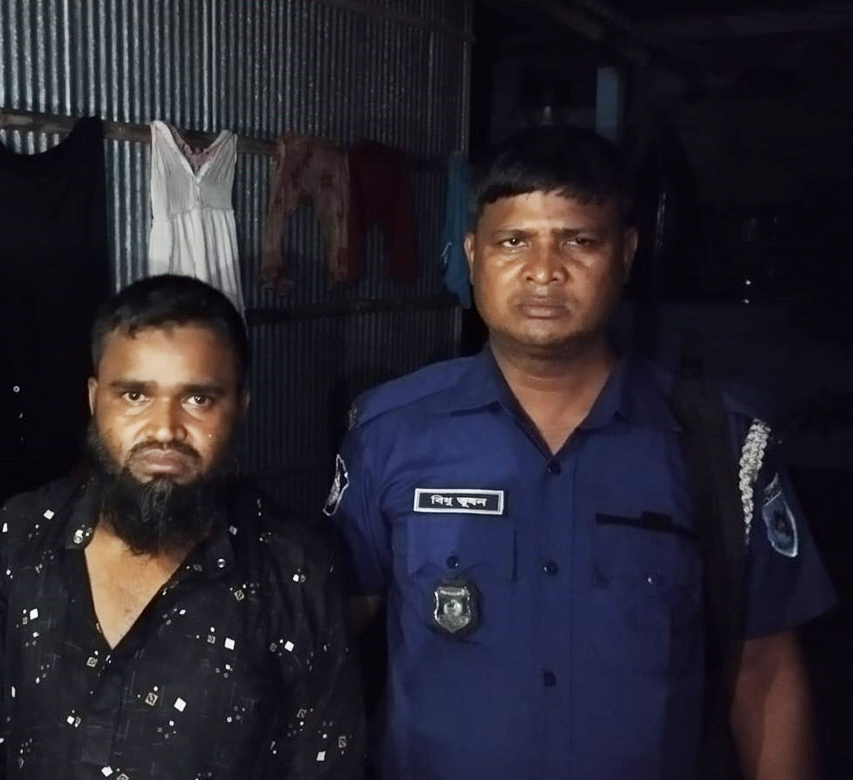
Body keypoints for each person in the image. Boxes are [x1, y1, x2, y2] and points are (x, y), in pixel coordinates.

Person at [326, 126, 836, 780]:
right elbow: (329, 637)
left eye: (579, 241)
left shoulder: (720, 440)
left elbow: (765, 670)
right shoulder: (389, 431)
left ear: (626, 253)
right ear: (473, 255)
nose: (544, 270)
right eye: (514, 241)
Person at [0, 275, 364, 778]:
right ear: (95, 399)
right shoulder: (18, 539)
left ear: (240, 406)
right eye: (135, 395)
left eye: (198, 399)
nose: (164, 429)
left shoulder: (293, 569)